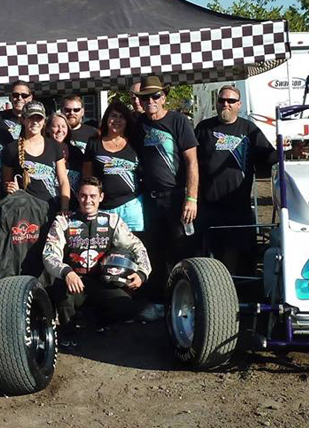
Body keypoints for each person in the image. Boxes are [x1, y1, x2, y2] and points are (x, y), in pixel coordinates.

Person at [43, 177, 151, 347]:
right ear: (77, 196)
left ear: (101, 197)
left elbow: (137, 247)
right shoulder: (63, 221)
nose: (88, 200)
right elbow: (49, 254)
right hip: (74, 283)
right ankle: (67, 332)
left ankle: (95, 321)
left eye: (93, 196)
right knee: (60, 287)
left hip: (101, 281)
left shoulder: (112, 221)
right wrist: (66, 272)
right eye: (83, 195)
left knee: (127, 307)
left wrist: (142, 273)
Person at [195, 84, 276, 276]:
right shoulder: (203, 128)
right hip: (208, 205)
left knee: (236, 252)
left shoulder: (249, 129)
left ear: (239, 104)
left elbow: (269, 156)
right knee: (209, 252)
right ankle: (213, 286)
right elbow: (191, 162)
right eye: (222, 100)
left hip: (238, 205)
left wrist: (289, 151)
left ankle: (232, 286)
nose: (226, 104)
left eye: (231, 101)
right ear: (216, 103)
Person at [135, 75, 199, 321]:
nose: (150, 101)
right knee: (155, 252)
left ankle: (189, 301)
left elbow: (192, 162)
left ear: (164, 97)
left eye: (155, 96)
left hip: (177, 198)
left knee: (182, 251)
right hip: (150, 200)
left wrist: (191, 198)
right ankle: (161, 304)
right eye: (145, 98)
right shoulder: (139, 124)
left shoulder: (178, 121)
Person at [1, 100, 70, 216]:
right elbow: (6, 182)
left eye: (39, 118)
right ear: (23, 120)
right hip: (23, 211)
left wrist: (64, 207)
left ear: (44, 121)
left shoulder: (55, 147)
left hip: (51, 209)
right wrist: (8, 186)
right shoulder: (11, 148)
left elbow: (63, 181)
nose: (35, 122)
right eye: (31, 118)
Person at [83, 100, 144, 232]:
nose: (117, 120)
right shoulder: (94, 143)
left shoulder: (135, 142)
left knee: (136, 243)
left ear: (127, 121)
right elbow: (87, 177)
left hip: (132, 206)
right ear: (106, 118)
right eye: (113, 116)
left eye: (121, 117)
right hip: (104, 208)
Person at [46, 112, 84, 206]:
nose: (60, 130)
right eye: (56, 126)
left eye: (63, 126)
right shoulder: (41, 152)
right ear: (47, 129)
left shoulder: (76, 152)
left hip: (74, 206)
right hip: (48, 204)